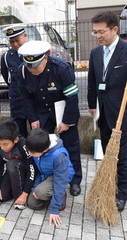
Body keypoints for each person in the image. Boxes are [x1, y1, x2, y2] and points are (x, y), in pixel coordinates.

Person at [18, 40, 82, 197]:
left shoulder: (61, 68)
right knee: (39, 145)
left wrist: (67, 121)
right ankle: (45, 176)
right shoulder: (23, 71)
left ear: (45, 58)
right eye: (29, 66)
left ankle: (74, 180)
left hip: (64, 110)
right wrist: (33, 118)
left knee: (70, 144)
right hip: (42, 112)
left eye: (35, 66)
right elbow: (26, 98)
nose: (32, 69)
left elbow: (72, 97)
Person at [87, 10, 127, 212]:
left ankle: (122, 193)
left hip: (122, 114)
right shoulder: (95, 53)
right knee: (107, 152)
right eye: (95, 32)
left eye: (101, 32)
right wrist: (92, 106)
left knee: (122, 155)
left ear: (115, 29)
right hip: (102, 113)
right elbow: (93, 82)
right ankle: (110, 184)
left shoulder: (125, 50)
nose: (98, 36)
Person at [25, 128, 75, 226]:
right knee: (32, 203)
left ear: (45, 150)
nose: (29, 154)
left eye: (32, 152)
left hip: (60, 177)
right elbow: (38, 171)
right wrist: (34, 188)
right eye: (28, 150)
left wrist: (54, 209)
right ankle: (50, 195)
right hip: (45, 175)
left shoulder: (59, 156)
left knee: (41, 192)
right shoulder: (36, 145)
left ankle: (60, 197)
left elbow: (60, 181)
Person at [0, 120, 35, 210]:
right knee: (0, 197)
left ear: (15, 140)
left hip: (24, 173)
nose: (2, 147)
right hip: (12, 172)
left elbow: (32, 171)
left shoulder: (24, 146)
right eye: (0, 143)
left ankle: (19, 195)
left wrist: (25, 194)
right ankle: (13, 189)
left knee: (11, 164)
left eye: (5, 144)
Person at [0, 25, 28, 137]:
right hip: (17, 102)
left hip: (34, 101)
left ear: (25, 36)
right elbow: (7, 78)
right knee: (19, 134)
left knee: (38, 133)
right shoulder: (7, 57)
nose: (15, 44)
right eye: (12, 41)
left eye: (18, 40)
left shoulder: (35, 53)